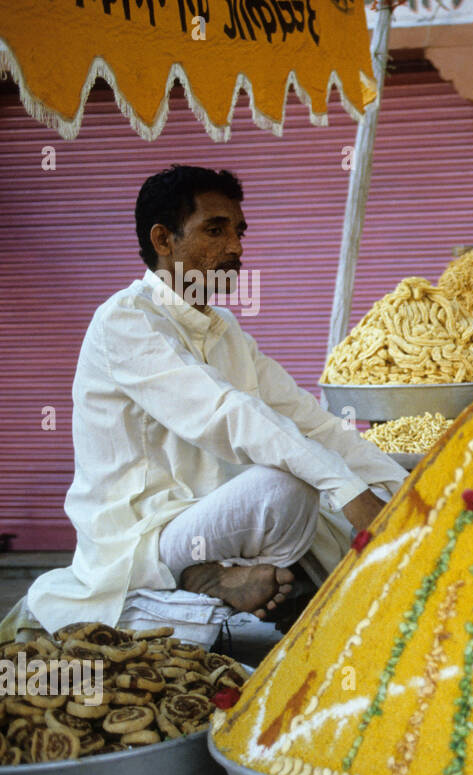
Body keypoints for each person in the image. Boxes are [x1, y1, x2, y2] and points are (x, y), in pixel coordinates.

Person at [1, 165, 408, 643]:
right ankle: (206, 578)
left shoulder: (225, 331)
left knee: (329, 492)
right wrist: (350, 492)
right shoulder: (125, 321)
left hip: (207, 522)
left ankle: (259, 583)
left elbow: (313, 423)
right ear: (163, 239)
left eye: (238, 231)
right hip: (143, 538)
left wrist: (403, 491)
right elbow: (226, 412)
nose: (235, 247)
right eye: (215, 230)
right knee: (288, 487)